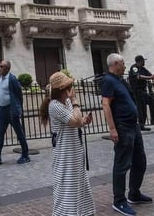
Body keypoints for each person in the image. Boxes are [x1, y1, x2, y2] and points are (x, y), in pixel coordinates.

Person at [99, 54, 151, 216]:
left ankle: (134, 193)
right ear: (115, 64)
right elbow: (106, 105)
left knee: (140, 160)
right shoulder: (108, 80)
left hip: (133, 126)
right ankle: (119, 201)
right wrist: (112, 129)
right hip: (122, 127)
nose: (125, 65)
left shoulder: (121, 80)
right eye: (122, 63)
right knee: (122, 164)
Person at [39, 72, 93, 216]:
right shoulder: (55, 105)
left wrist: (84, 120)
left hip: (75, 150)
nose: (72, 88)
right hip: (65, 153)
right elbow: (74, 121)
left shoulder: (66, 102)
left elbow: (77, 121)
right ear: (64, 89)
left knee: (79, 183)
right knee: (67, 185)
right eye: (70, 86)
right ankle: (66, 213)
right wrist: (75, 100)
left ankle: (83, 212)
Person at [0, 60, 30, 165]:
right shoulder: (0, 79)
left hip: (11, 110)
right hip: (2, 109)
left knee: (19, 132)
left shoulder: (12, 79)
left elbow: (19, 94)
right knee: (0, 132)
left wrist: (18, 108)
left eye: (2, 66)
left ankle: (25, 155)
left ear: (7, 68)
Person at [127, 55, 154, 130]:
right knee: (141, 107)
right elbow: (138, 76)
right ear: (140, 61)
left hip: (142, 90)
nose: (144, 62)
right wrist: (150, 77)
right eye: (143, 61)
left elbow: (149, 74)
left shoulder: (143, 68)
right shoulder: (134, 67)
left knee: (151, 102)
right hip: (136, 91)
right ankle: (142, 124)